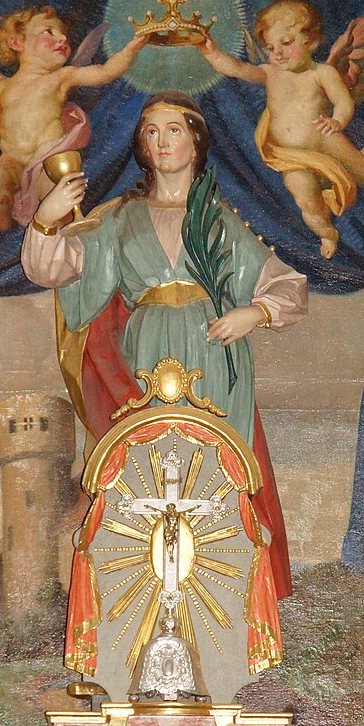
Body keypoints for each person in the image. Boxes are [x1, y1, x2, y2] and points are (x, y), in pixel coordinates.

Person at [20, 90, 307, 597]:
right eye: (151, 132)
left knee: (215, 477)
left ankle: (222, 594)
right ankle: (145, 592)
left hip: (214, 353)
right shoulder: (120, 218)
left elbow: (289, 285)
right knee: (148, 476)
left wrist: (254, 312)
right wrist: (48, 219)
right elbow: (55, 268)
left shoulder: (218, 218)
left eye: (174, 130)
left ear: (195, 141)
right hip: (145, 353)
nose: (162, 141)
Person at [200, 0, 364, 258]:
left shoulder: (322, 73)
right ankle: (327, 233)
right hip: (290, 157)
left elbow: (343, 102)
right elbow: (238, 69)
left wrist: (337, 121)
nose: (277, 53)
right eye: (270, 47)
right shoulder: (270, 73)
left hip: (325, 140)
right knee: (306, 201)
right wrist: (211, 53)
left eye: (286, 43)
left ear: (310, 41)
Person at [0, 6, 145, 231]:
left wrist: (130, 50)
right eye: (49, 32)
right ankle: (1, 218)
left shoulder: (61, 77)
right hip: (12, 160)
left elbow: (104, 72)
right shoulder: (2, 89)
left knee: (55, 192)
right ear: (17, 42)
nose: (62, 38)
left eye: (64, 35)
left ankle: (65, 229)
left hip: (49, 160)